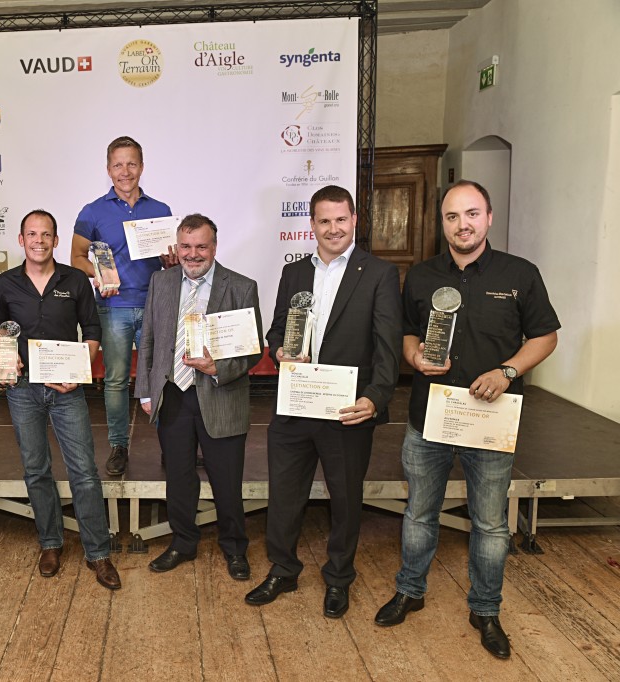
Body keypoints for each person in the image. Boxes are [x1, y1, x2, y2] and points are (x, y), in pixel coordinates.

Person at [374, 180, 559, 659]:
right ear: (443, 223)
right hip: (429, 416)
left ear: (489, 218)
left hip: (490, 418)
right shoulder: (419, 275)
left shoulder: (521, 273)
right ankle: (410, 592)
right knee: (419, 513)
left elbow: (545, 336)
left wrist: (508, 371)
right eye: (453, 217)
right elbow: (407, 333)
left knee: (491, 525)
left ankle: (485, 609)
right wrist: (415, 358)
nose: (463, 225)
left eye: (472, 214)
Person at [244, 185, 401, 618]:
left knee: (346, 499)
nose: (333, 228)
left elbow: (387, 345)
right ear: (311, 225)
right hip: (295, 404)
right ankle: (283, 569)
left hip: (348, 409)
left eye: (340, 219)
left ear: (354, 221)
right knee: (284, 493)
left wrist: (376, 397)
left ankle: (338, 579)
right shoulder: (294, 272)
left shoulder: (379, 273)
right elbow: (277, 330)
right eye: (324, 221)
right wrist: (278, 350)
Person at [0, 209, 121, 590]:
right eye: (32, 234)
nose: (39, 240)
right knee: (35, 469)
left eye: (46, 234)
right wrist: (4, 348)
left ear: (55, 240)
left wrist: (81, 369)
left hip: (67, 390)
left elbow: (92, 328)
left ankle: (98, 553)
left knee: (83, 470)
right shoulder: (6, 282)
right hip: (23, 390)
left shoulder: (76, 279)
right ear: (21, 239)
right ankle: (50, 543)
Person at [134, 213, 263, 580]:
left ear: (214, 247)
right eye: (186, 246)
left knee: (226, 480)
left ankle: (235, 549)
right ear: (178, 246)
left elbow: (253, 350)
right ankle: (182, 543)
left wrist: (218, 368)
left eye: (201, 247)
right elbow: (148, 339)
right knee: (178, 477)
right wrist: (145, 388)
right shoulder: (160, 281)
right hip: (173, 393)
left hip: (220, 394)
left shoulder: (240, 286)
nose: (193, 255)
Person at [71, 136, 176, 476]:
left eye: (131, 163)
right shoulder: (92, 212)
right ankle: (118, 446)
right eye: (118, 164)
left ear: (142, 167)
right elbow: (75, 258)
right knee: (116, 381)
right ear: (108, 169)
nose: (125, 171)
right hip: (113, 308)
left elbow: (170, 265)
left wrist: (171, 261)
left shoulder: (161, 211)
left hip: (153, 306)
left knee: (160, 377)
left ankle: (171, 445)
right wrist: (98, 274)